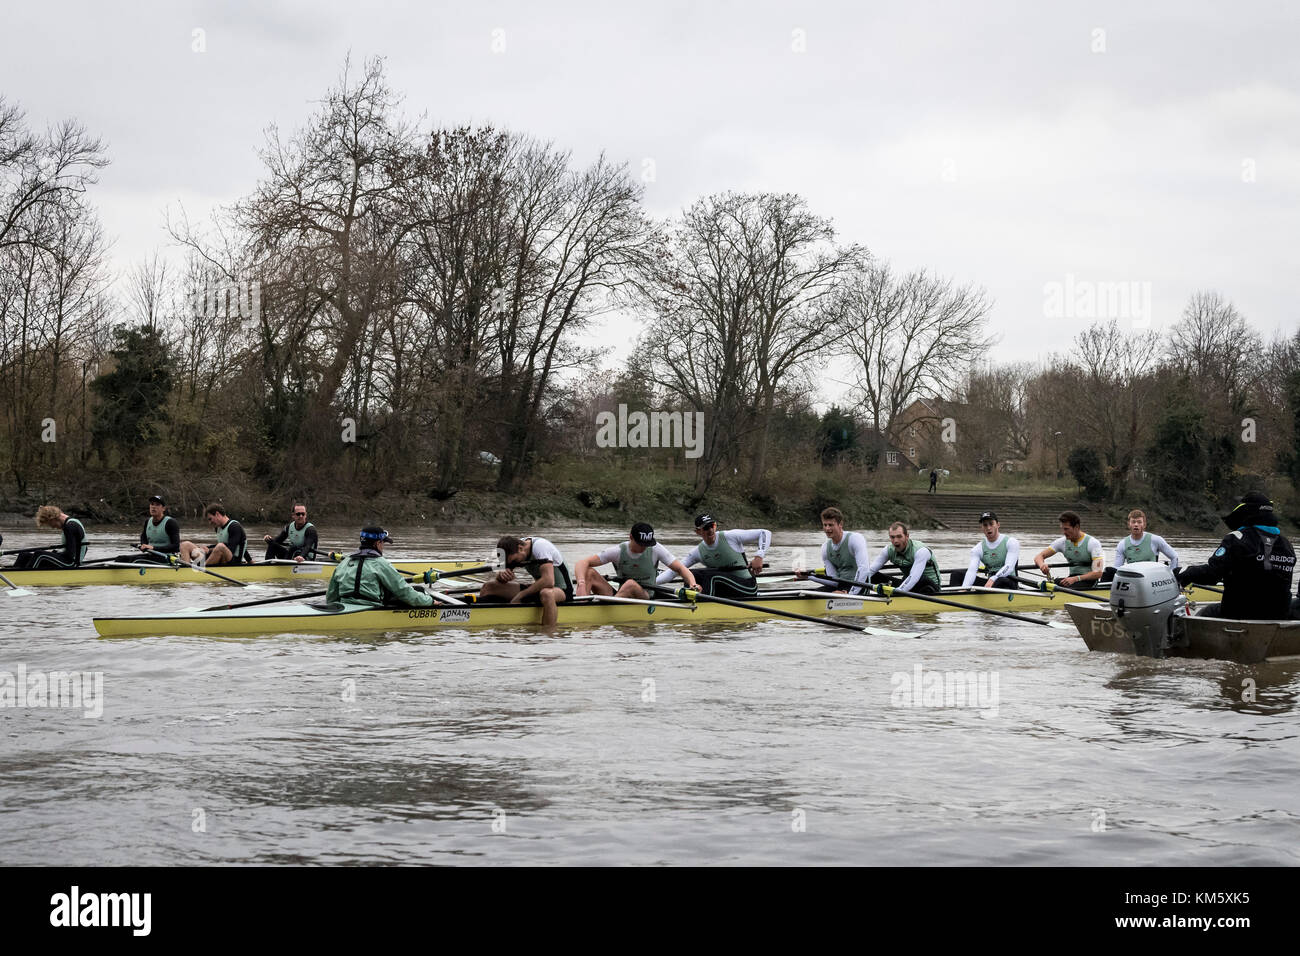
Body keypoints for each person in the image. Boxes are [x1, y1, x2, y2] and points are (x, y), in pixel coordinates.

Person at [1176, 492, 1295, 620]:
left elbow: (1211, 574)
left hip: (1240, 613)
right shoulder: (1286, 544)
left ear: (1245, 511)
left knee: (1206, 612)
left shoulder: (1237, 538)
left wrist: (1184, 573)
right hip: (1279, 615)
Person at [654, 513, 769, 598]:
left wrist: (759, 556)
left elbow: (765, 533)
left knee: (712, 576)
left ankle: (702, 606)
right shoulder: (698, 551)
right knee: (691, 574)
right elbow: (674, 571)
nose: (710, 530)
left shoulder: (730, 537)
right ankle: (690, 599)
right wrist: (651, 583)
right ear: (698, 532)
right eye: (706, 528)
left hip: (747, 586)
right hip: (725, 590)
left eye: (712, 526)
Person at [574, 523, 697, 600]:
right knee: (589, 572)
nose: (644, 547)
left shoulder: (656, 549)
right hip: (622, 594)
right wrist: (581, 583)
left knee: (630, 584)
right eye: (641, 544)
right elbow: (582, 563)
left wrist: (693, 584)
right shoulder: (618, 551)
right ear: (631, 537)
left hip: (645, 594)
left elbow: (681, 568)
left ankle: (610, 609)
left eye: (647, 544)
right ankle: (582, 604)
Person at [326, 527, 434, 608]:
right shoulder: (381, 564)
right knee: (418, 589)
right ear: (377, 543)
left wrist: (331, 611)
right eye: (383, 543)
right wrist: (430, 601)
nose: (383, 547)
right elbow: (403, 591)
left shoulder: (344, 562)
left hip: (345, 606)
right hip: (371, 608)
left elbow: (331, 596)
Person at [479, 535, 574, 626]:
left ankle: (548, 634)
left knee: (546, 593)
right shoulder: (514, 548)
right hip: (538, 589)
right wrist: (501, 575)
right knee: (489, 587)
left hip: (562, 590)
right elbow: (500, 580)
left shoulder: (540, 546)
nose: (513, 564)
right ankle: (480, 617)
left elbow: (549, 581)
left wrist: (521, 595)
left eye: (514, 561)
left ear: (520, 548)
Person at [795, 507, 872, 595]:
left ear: (840, 524)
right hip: (841, 585)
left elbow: (864, 570)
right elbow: (833, 581)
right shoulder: (825, 548)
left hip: (861, 585)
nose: (827, 528)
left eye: (831, 525)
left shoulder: (855, 539)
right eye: (825, 525)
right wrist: (808, 576)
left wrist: (850, 595)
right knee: (809, 595)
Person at [863, 521, 942, 595]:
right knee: (869, 575)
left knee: (920, 578)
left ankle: (899, 594)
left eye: (899, 536)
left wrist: (897, 593)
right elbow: (870, 571)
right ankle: (859, 596)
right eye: (892, 537)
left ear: (907, 536)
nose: (895, 541)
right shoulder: (888, 550)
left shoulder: (921, 551)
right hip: (908, 585)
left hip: (930, 588)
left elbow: (914, 577)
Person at [1032, 511, 1104, 589]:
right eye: (1062, 529)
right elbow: (1039, 557)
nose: (1064, 532)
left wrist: (1076, 578)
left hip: (1089, 581)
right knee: (1046, 585)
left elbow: (1098, 573)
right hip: (1071, 579)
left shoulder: (1093, 543)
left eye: (1066, 529)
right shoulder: (1062, 542)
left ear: (1076, 527)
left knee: (1061, 588)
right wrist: (1042, 565)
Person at [954, 511, 1020, 589]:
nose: (988, 528)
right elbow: (971, 571)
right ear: (981, 528)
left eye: (991, 524)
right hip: (991, 584)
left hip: (1008, 582)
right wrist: (964, 588)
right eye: (985, 525)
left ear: (998, 525)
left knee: (1000, 580)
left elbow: (1009, 567)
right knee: (956, 574)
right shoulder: (978, 548)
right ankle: (959, 596)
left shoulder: (1011, 542)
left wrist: (993, 578)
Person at [12, 505, 87, 570]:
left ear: (52, 518)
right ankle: (12, 574)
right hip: (67, 559)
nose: (52, 527)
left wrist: (54, 554)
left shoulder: (70, 526)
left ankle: (25, 576)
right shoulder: (73, 521)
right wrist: (55, 554)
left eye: (49, 524)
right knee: (24, 555)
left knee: (40, 554)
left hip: (71, 564)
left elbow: (70, 555)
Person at [1111, 509, 1179, 576]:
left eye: (1139, 522)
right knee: (1109, 571)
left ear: (1144, 525)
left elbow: (1174, 557)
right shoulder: (1122, 544)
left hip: (1151, 578)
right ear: (1129, 524)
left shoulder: (1155, 540)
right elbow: (1117, 568)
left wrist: (1172, 576)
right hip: (1133, 579)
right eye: (1133, 522)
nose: (1136, 525)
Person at [178, 504, 249, 567]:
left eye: (210, 519)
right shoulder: (218, 528)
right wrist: (207, 548)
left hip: (233, 562)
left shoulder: (234, 526)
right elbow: (241, 548)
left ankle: (201, 569)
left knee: (220, 546)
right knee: (185, 545)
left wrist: (209, 550)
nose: (209, 523)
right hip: (219, 556)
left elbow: (231, 549)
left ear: (217, 514)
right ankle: (187, 570)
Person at [135, 494, 181, 562]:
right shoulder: (147, 521)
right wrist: (143, 545)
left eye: (157, 504)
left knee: (138, 561)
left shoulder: (171, 523)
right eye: (152, 504)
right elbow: (143, 536)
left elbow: (175, 546)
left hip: (168, 557)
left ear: (163, 508)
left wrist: (154, 548)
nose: (153, 507)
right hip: (152, 555)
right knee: (121, 558)